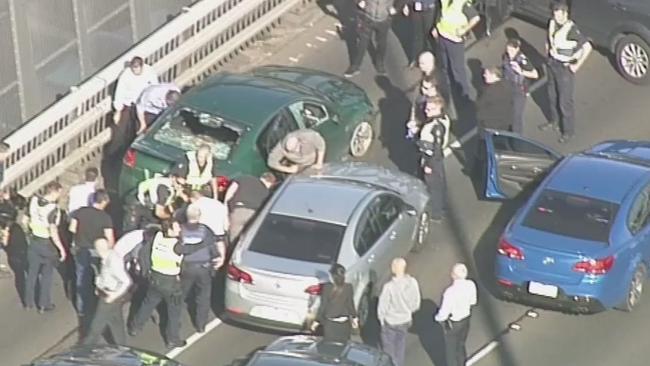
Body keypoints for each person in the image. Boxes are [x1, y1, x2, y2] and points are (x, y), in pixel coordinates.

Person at [128, 219, 187, 349]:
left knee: (148, 304)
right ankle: (172, 339)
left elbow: (144, 253)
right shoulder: (177, 244)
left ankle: (135, 327)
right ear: (170, 230)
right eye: (177, 227)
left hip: (155, 278)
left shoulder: (157, 237)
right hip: (171, 282)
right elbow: (185, 263)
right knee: (174, 312)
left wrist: (147, 272)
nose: (180, 229)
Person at [539, 0, 592, 143]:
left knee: (564, 101)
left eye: (559, 14)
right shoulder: (552, 23)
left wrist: (576, 66)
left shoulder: (571, 29)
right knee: (552, 95)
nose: (556, 17)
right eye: (555, 13)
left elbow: (587, 47)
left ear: (565, 13)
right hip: (552, 63)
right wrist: (548, 52)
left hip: (564, 67)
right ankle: (554, 121)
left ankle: (568, 131)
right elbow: (548, 39)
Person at [68, 189, 115, 318]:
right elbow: (110, 238)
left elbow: (72, 228)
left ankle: (81, 308)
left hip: (80, 248)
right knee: (100, 278)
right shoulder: (105, 217)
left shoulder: (80, 211)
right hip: (97, 251)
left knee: (81, 278)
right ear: (103, 201)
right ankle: (100, 305)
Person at [80, 238, 132, 346]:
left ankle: (84, 349)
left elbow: (126, 281)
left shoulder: (113, 262)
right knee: (116, 323)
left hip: (109, 297)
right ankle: (122, 347)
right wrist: (99, 286)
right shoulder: (106, 258)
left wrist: (114, 296)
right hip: (107, 294)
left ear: (100, 249)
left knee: (96, 327)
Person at [179, 204, 221, 333]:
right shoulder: (205, 230)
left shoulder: (181, 230)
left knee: (181, 294)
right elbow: (212, 247)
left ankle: (176, 320)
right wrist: (216, 257)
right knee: (203, 297)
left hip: (186, 267)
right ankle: (201, 325)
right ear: (199, 216)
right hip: (204, 267)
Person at [25, 181, 66, 313]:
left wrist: (29, 232)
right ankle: (44, 304)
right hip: (47, 244)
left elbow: (25, 220)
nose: (60, 195)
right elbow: (53, 231)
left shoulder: (34, 200)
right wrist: (61, 248)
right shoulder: (53, 209)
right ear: (54, 192)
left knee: (32, 273)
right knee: (47, 274)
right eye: (59, 193)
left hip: (33, 241)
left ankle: (28, 302)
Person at [432, 0, 480, 102]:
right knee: (444, 65)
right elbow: (441, 11)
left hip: (454, 40)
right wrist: (436, 25)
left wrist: (464, 30)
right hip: (442, 35)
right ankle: (448, 87)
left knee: (457, 68)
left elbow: (475, 17)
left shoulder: (462, 3)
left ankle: (464, 94)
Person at [377, 258, 421, 366]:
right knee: (400, 346)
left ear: (394, 269)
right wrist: (408, 312)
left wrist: (382, 320)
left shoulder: (389, 287)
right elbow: (416, 303)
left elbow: (382, 306)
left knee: (389, 350)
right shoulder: (412, 282)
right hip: (405, 320)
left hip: (391, 322)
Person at [110, 56, 158, 154]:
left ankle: (137, 150)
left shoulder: (150, 72)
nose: (135, 71)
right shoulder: (126, 75)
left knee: (141, 129)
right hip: (129, 104)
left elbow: (154, 88)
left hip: (144, 105)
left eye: (137, 68)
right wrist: (118, 110)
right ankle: (116, 152)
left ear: (142, 66)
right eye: (133, 68)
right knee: (120, 131)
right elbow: (120, 92)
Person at [434, 263, 478, 366]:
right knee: (461, 345)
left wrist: (437, 318)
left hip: (454, 322)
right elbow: (473, 302)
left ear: (453, 275)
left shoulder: (450, 292)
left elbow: (443, 314)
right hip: (466, 319)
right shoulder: (471, 284)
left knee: (451, 351)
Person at [417, 96, 450, 222]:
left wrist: (429, 165)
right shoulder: (440, 120)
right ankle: (442, 207)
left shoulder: (436, 127)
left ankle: (436, 213)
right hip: (434, 158)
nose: (426, 111)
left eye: (430, 109)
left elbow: (436, 148)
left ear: (438, 109)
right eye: (426, 108)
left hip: (432, 159)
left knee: (434, 186)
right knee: (440, 183)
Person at [343, 0, 395, 77]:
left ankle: (379, 64)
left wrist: (396, 8)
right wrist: (359, 2)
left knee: (381, 43)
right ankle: (355, 66)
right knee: (362, 43)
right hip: (368, 18)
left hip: (384, 19)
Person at [223, 172, 277, 244]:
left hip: (239, 211)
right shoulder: (267, 192)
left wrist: (225, 205)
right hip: (255, 216)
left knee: (234, 240)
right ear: (271, 183)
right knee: (248, 241)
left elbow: (231, 191)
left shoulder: (245, 178)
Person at [310, 264, 358, 343]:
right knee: (342, 346)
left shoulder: (327, 288)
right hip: (344, 324)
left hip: (330, 323)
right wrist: (354, 318)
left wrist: (316, 321)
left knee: (330, 346)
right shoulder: (348, 287)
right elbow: (350, 304)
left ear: (333, 275)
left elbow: (323, 306)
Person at [502, 38, 539, 135]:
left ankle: (517, 138)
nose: (509, 52)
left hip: (519, 89)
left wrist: (521, 71)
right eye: (508, 49)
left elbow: (535, 74)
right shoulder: (505, 56)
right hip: (508, 86)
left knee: (516, 116)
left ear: (517, 49)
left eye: (512, 50)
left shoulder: (522, 60)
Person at [476, 67, 515, 133]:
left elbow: (479, 104)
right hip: (506, 122)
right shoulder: (507, 85)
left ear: (494, 75)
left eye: (486, 74)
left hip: (491, 124)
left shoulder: (488, 90)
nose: (484, 75)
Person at [398, 0, 436, 66]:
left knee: (429, 35)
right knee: (417, 36)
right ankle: (416, 58)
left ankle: (429, 59)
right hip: (415, 8)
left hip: (429, 8)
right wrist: (405, 4)